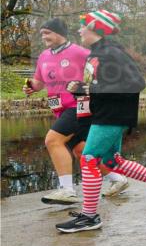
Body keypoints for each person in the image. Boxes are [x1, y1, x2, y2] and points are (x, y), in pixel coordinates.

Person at [56, 10, 146, 233]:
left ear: (95, 28)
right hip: (104, 113)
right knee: (112, 162)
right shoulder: (97, 53)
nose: (79, 30)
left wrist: (92, 89)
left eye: (82, 26)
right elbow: (101, 85)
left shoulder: (112, 52)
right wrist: (82, 88)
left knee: (89, 159)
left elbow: (136, 82)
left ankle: (90, 216)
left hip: (112, 115)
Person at [23, 19, 130, 205]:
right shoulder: (43, 56)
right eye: (42, 34)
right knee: (82, 151)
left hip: (80, 106)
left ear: (59, 33)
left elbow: (103, 70)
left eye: (47, 33)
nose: (43, 37)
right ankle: (117, 179)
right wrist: (31, 86)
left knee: (52, 140)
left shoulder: (80, 52)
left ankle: (67, 190)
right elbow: (39, 82)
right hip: (60, 109)